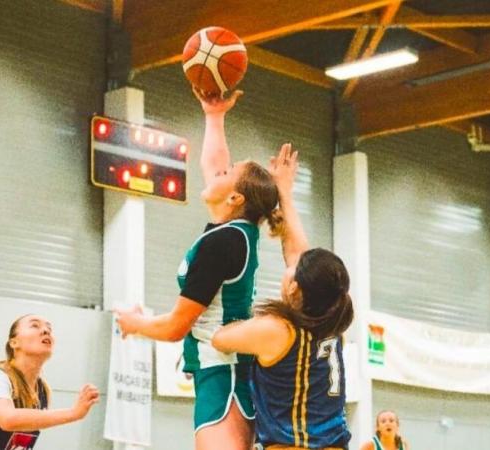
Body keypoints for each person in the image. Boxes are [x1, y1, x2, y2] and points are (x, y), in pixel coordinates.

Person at [115, 89, 282, 450]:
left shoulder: (221, 243)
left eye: (229, 174)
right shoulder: (234, 233)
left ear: (235, 198)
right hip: (223, 369)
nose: (218, 172)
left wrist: (134, 324)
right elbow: (214, 165)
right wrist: (214, 115)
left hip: (225, 372)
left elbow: (176, 327)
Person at [212, 145, 354, 450]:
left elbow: (220, 339)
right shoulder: (332, 323)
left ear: (295, 288)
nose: (290, 266)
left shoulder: (277, 330)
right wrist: (285, 192)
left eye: (295, 271)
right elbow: (297, 257)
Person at [0, 314, 99, 450]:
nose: (46, 331)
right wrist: (74, 413)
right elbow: (8, 419)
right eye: (35, 325)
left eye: (49, 328)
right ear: (14, 343)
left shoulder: (41, 390)